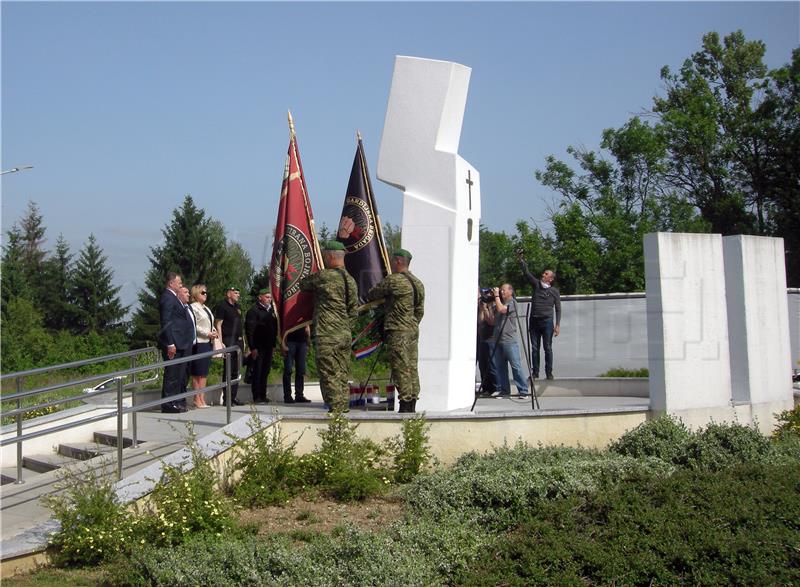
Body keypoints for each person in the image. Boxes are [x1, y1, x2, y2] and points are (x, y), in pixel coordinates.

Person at [299, 241, 359, 413]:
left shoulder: (324, 276)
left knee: (328, 374)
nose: (324, 260)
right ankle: (343, 409)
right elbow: (353, 311)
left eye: (325, 256)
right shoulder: (351, 280)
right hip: (344, 334)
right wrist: (346, 329)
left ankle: (336, 412)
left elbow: (303, 284)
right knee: (341, 373)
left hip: (327, 334)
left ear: (332, 256)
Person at [366, 248, 425, 413]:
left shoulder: (394, 280)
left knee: (400, 367)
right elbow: (419, 310)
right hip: (412, 330)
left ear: (398, 261)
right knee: (412, 366)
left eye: (392, 261)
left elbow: (373, 294)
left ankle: (405, 404)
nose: (391, 265)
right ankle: (412, 401)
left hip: (398, 331)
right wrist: (411, 323)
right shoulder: (418, 283)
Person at [518, 251, 561, 380]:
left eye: (546, 274)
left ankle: (549, 372)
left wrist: (557, 324)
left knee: (547, 347)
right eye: (544, 273)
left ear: (551, 279)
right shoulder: (536, 285)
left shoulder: (554, 292)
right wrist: (521, 260)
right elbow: (527, 273)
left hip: (547, 321)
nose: (543, 274)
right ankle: (535, 372)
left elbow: (558, 309)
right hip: (534, 321)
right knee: (534, 347)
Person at [158, 273, 194, 413]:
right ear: (171, 283)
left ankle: (174, 402)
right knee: (171, 375)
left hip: (182, 343)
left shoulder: (174, 298)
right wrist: (170, 343)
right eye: (179, 282)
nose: (181, 284)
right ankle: (167, 404)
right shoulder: (167, 298)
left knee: (178, 376)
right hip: (174, 343)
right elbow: (166, 322)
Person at [487, 283, 529, 397]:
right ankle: (505, 390)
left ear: (510, 291)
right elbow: (491, 320)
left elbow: (502, 310)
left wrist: (496, 296)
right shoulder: (499, 303)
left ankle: (523, 390)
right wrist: (486, 305)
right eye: (500, 290)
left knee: (515, 366)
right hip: (498, 340)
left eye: (503, 290)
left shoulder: (512, 303)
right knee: (501, 367)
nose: (501, 292)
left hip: (509, 341)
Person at [245, 288, 278, 404]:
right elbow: (250, 331)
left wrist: (274, 344)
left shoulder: (271, 312)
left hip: (268, 346)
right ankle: (257, 396)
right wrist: (252, 347)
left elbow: (274, 329)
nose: (269, 299)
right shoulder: (253, 311)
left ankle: (263, 395)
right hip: (258, 346)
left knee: (265, 371)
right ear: (260, 297)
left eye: (270, 297)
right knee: (257, 372)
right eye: (267, 297)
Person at [189, 284, 218, 408]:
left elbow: (209, 322)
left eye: (206, 293)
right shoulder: (193, 307)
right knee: (197, 372)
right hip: (200, 342)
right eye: (202, 293)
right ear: (196, 294)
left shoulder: (206, 308)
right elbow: (194, 325)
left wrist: (214, 330)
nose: (205, 295)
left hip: (208, 342)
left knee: (204, 372)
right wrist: (207, 333)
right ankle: (197, 398)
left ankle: (202, 398)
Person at [215, 286, 245, 406]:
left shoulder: (237, 307)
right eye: (235, 292)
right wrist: (221, 342)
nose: (238, 295)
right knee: (228, 370)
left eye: (238, 293)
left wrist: (244, 342)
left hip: (238, 341)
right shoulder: (223, 306)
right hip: (228, 340)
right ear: (229, 294)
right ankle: (227, 398)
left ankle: (234, 396)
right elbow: (218, 324)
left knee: (236, 370)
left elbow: (240, 325)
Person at [282, 325, 311, 403]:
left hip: (302, 342)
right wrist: (283, 343)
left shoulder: (302, 313)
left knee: (301, 370)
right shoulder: (289, 313)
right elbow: (284, 326)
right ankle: (287, 396)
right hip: (290, 342)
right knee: (288, 370)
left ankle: (299, 395)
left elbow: (307, 326)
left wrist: (308, 342)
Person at [477, 291, 496, 395]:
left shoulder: (494, 307)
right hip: (483, 339)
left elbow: (491, 321)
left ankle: (495, 387)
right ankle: (486, 388)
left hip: (491, 339)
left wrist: (487, 307)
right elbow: (480, 321)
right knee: (482, 365)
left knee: (491, 365)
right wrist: (481, 309)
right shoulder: (484, 307)